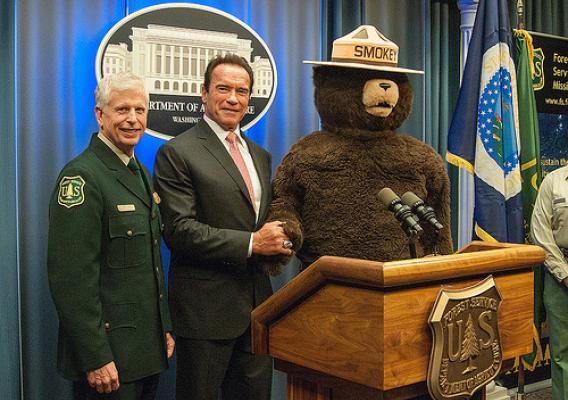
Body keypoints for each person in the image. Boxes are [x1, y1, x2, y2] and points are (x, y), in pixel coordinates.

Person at [153, 54, 292, 400]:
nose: (233, 98)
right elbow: (179, 231)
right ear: (203, 93)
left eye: (242, 91)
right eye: (223, 89)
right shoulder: (177, 152)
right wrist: (252, 243)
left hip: (258, 310)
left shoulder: (260, 155)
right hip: (205, 313)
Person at [47, 72, 174, 400]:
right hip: (109, 359)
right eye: (122, 110)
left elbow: (148, 269)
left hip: (144, 351)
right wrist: (96, 357)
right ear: (100, 115)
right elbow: (72, 280)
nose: (133, 119)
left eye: (140, 110)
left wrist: (164, 327)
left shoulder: (139, 172)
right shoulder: (82, 176)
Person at [531, 165, 568, 399]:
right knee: (562, 353)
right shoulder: (553, 182)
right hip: (559, 277)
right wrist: (564, 274)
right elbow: (540, 232)